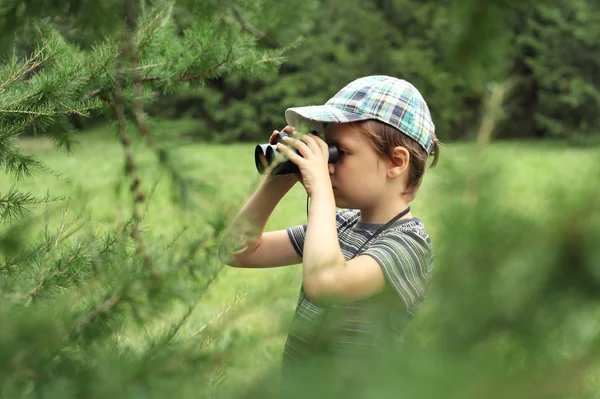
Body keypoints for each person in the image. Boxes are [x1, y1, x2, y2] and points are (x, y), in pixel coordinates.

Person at [218, 75, 440, 396]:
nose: (328, 165)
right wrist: (278, 177)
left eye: (340, 153)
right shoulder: (339, 226)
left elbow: (326, 284)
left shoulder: (410, 244)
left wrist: (320, 187)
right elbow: (237, 251)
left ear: (396, 161)